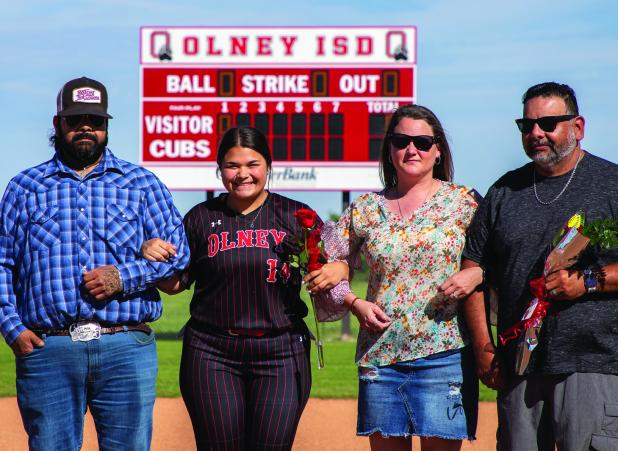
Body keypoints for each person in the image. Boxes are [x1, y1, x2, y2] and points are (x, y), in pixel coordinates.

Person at [0, 76, 189, 450]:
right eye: (75, 120)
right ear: (58, 125)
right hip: (48, 349)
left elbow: (180, 255)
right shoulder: (25, 186)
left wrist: (123, 276)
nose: (86, 127)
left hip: (125, 347)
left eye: (96, 120)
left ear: (106, 126)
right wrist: (11, 327)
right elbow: (3, 263)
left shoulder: (141, 183)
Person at [141, 126, 346, 450]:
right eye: (232, 166)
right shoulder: (200, 218)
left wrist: (341, 266)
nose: (242, 174)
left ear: (268, 166)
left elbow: (334, 261)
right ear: (220, 170)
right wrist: (149, 250)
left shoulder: (296, 215)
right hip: (211, 351)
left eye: (252, 164)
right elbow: (175, 283)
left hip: (281, 349)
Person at [308, 104, 483, 451]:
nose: (411, 149)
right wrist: (353, 301)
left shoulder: (464, 201)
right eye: (401, 140)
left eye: (421, 141)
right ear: (389, 150)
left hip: (444, 355)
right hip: (381, 357)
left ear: (437, 150)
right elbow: (323, 262)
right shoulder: (365, 209)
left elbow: (501, 257)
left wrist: (478, 272)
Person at [462, 82, 618, 450]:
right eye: (526, 125)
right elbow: (473, 269)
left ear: (577, 127)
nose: (536, 133)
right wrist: (485, 350)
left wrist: (587, 282)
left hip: (592, 361)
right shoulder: (504, 192)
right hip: (520, 363)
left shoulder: (611, 185)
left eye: (548, 123)